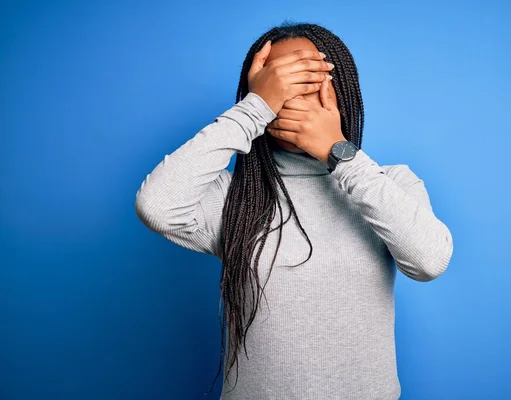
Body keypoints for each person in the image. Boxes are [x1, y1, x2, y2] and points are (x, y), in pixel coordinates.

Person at [134, 21, 454, 400]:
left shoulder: (389, 183)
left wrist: (340, 153)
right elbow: (156, 205)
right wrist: (254, 110)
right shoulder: (234, 197)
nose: (293, 95)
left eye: (309, 79)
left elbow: (429, 261)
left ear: (342, 91)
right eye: (280, 81)